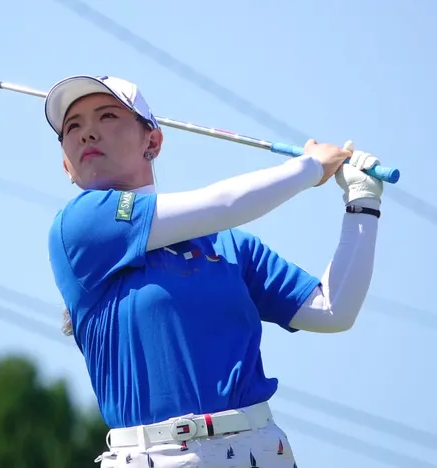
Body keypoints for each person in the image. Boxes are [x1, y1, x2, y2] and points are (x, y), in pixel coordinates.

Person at [44, 75, 382, 468]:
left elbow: (332, 310)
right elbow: (224, 204)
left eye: (107, 116)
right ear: (66, 165)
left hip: (259, 450)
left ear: (152, 141)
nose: (88, 133)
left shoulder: (228, 245)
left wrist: (363, 202)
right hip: (152, 457)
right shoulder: (79, 225)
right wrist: (310, 167)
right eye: (73, 126)